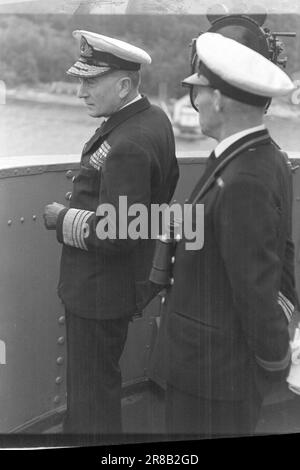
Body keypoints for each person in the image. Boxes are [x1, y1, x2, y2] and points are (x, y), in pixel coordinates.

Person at [43, 30, 179, 436]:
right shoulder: (152, 119)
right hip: (115, 287)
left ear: (123, 86)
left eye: (90, 81)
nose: (81, 91)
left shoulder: (129, 142)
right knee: (97, 385)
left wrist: (62, 218)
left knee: (91, 393)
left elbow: (119, 232)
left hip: (99, 290)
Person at [161, 32, 296, 437]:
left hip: (212, 376)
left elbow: (253, 286)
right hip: (216, 365)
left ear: (217, 99)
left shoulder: (244, 178)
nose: (195, 101)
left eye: (197, 92)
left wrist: (274, 360)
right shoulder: (260, 156)